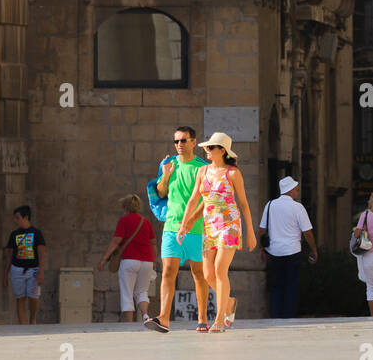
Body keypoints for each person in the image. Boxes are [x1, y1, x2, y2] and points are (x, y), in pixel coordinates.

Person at [176, 132, 256, 333]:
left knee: (220, 270)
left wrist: (251, 232)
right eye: (207, 147)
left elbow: (244, 204)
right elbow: (194, 200)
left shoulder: (233, 173)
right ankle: (228, 302)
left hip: (229, 225)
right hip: (209, 226)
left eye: (211, 147)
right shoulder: (202, 172)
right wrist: (184, 224)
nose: (207, 150)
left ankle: (219, 319)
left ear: (222, 150)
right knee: (207, 273)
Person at [147, 126, 211, 334]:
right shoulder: (168, 164)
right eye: (176, 141)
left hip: (196, 228)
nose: (179, 145)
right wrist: (164, 176)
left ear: (194, 142)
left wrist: (192, 220)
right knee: (167, 271)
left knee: (199, 273)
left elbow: (207, 200)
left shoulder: (203, 167)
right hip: (172, 226)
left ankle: (202, 318)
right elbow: (161, 192)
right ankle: (164, 318)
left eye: (183, 141)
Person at [259, 175, 318, 319]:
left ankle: (275, 316)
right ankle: (288, 316)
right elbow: (307, 233)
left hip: (274, 251)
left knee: (276, 286)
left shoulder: (270, 205)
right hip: (292, 251)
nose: (297, 191)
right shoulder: (298, 207)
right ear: (290, 191)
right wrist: (314, 249)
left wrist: (261, 249)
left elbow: (261, 230)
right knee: (291, 286)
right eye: (296, 189)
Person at [96, 194, 156, 323]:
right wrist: (154, 261)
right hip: (147, 261)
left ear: (125, 207)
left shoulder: (124, 221)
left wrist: (104, 259)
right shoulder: (145, 222)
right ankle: (145, 315)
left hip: (129, 260)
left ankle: (129, 323)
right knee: (142, 291)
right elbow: (153, 243)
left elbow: (116, 241)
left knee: (127, 293)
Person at [3, 205, 47, 324]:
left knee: (33, 297)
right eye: (14, 218)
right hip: (17, 269)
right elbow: (10, 255)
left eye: (17, 218)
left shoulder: (37, 233)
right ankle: (22, 325)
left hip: (33, 270)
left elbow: (42, 254)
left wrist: (41, 272)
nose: (15, 220)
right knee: (20, 298)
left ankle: (32, 319)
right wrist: (5, 275)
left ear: (26, 217)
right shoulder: (14, 234)